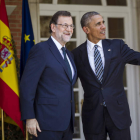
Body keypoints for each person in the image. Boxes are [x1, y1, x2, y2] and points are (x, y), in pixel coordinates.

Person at [72, 11, 140, 140]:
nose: (103, 26)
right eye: (98, 24)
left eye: (103, 22)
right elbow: (66, 80)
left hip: (118, 114)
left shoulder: (117, 46)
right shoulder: (76, 54)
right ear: (86, 29)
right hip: (92, 117)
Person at [20, 11, 77, 140]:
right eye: (64, 25)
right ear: (53, 27)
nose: (69, 29)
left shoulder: (69, 55)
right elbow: (27, 86)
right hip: (46, 124)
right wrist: (30, 117)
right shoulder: (41, 50)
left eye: (71, 26)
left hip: (67, 124)